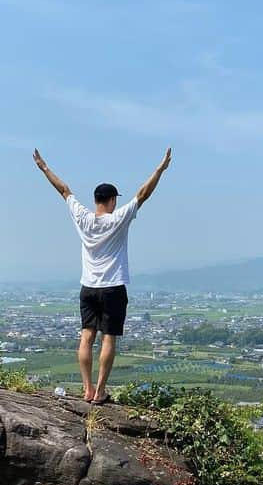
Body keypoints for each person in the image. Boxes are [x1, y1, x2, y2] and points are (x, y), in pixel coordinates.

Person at [33, 147, 171, 403]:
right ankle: (100, 391)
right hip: (112, 287)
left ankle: (86, 389)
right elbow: (143, 194)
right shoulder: (117, 219)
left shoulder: (82, 217)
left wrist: (44, 168)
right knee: (109, 338)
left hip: (88, 286)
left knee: (86, 337)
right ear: (112, 201)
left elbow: (63, 189)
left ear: (96, 199)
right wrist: (159, 170)